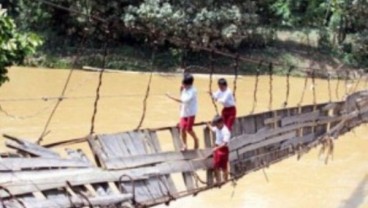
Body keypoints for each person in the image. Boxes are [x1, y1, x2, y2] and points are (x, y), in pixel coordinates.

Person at [166, 73, 199, 151]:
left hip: (191, 112)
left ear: (189, 84)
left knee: (188, 129)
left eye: (184, 84)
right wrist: (181, 90)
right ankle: (184, 145)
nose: (183, 85)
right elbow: (182, 96)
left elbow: (182, 100)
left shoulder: (192, 91)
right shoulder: (185, 88)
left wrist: (169, 96)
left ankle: (196, 139)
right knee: (182, 128)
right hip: (184, 112)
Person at [207, 115, 230, 184]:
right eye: (215, 125)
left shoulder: (226, 131)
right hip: (217, 149)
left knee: (223, 167)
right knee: (216, 166)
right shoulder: (217, 128)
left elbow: (225, 144)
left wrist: (216, 148)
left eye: (217, 124)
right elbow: (212, 129)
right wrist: (207, 124)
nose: (216, 126)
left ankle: (225, 181)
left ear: (221, 123)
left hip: (223, 150)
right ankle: (218, 182)